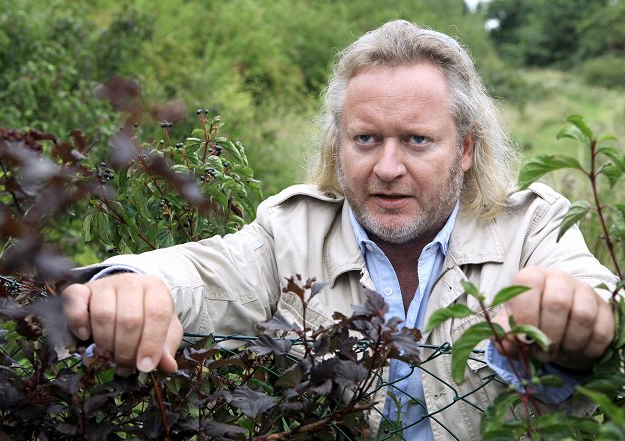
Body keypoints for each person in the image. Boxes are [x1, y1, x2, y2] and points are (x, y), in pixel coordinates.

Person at [63, 20, 617, 440]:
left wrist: (578, 316)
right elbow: (202, 271)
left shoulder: (531, 227)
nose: (387, 167)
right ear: (339, 144)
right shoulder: (292, 231)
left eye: (417, 140)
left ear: (467, 149)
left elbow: (590, 294)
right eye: (366, 139)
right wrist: (133, 283)